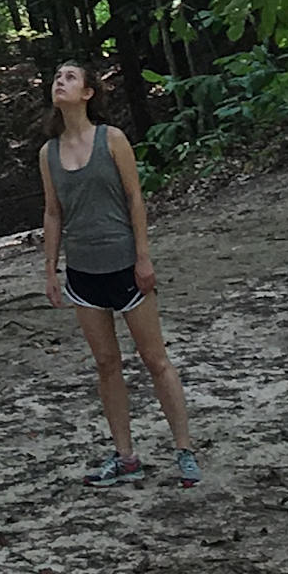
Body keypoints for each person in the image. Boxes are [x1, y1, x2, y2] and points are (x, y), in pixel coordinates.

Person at [36, 61, 197, 488]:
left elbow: (135, 198)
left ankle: (184, 450)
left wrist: (143, 257)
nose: (61, 81)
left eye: (70, 77)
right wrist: (50, 270)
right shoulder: (48, 152)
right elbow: (53, 213)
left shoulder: (113, 140)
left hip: (125, 264)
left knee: (154, 359)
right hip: (83, 273)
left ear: (89, 92)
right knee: (106, 363)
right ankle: (125, 457)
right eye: (57, 77)